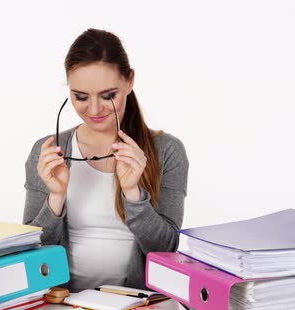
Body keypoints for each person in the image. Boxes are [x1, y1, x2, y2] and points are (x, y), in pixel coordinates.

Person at [23, 28, 189, 292]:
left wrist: (133, 193)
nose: (95, 109)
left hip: (138, 309)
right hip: (62, 307)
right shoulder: (48, 152)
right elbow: (31, 251)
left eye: (108, 95)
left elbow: (166, 248)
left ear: (130, 81)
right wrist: (55, 198)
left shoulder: (167, 150)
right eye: (80, 97)